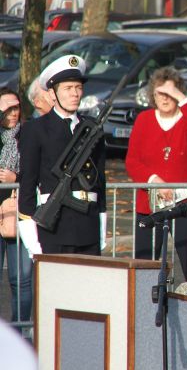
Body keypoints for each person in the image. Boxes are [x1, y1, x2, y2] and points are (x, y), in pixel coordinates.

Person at [125, 66, 187, 280]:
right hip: (150, 201)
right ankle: (146, 308)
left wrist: (180, 97)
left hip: (185, 202)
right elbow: (132, 161)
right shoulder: (144, 120)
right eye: (159, 93)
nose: (164, 98)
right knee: (146, 263)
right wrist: (155, 181)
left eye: (169, 93)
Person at [18, 55, 107, 256]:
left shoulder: (92, 129)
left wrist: (101, 229)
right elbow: (28, 185)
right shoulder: (35, 129)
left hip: (88, 225)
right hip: (54, 229)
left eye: (78, 88)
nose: (75, 94)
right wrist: (32, 239)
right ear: (52, 94)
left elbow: (100, 181)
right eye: (68, 88)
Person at [0, 89, 32, 331]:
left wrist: (15, 177)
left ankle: (18, 332)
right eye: (6, 109)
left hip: (18, 211)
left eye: (16, 108)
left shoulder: (29, 134)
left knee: (20, 279)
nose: (12, 113)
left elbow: (35, 171)